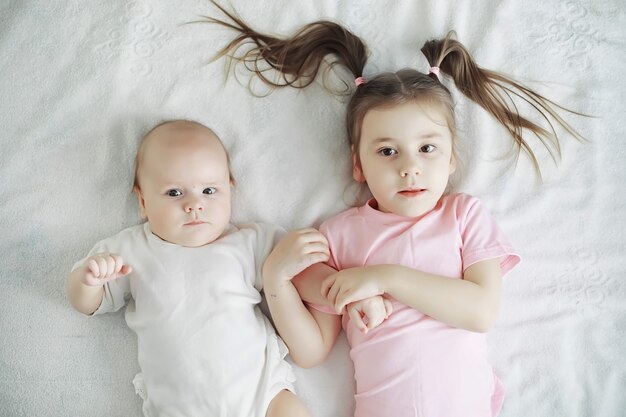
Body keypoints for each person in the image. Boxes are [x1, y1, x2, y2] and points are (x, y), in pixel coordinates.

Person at [206, 4, 584, 417]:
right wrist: (276, 278)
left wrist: (382, 278)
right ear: (358, 165)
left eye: (427, 148)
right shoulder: (337, 236)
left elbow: (481, 311)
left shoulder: (462, 217)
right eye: (387, 151)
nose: (409, 167)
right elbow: (311, 351)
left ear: (452, 157)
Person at [66, 120, 318, 417]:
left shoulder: (249, 241)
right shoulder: (131, 250)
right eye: (174, 193)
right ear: (143, 202)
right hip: (179, 407)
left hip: (262, 395)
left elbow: (300, 273)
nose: (194, 205)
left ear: (230, 190)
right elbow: (85, 305)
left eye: (209, 191)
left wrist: (339, 289)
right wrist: (88, 281)